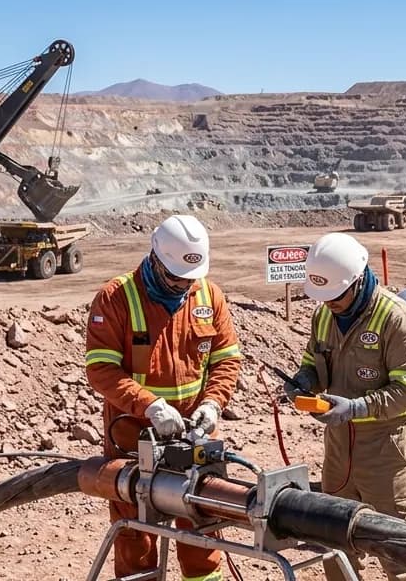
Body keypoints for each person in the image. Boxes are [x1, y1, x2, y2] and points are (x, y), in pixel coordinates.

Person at [85, 214, 242, 581]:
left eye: (190, 279)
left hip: (194, 438)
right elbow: (101, 370)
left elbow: (226, 360)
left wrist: (213, 403)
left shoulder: (208, 295)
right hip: (133, 439)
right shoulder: (117, 298)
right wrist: (150, 405)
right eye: (176, 278)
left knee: (201, 528)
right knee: (135, 536)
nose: (184, 286)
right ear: (155, 258)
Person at [283, 232, 406, 581]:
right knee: (333, 543)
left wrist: (357, 408)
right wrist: (303, 380)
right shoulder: (324, 315)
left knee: (401, 552)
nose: (330, 303)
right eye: (324, 297)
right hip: (339, 452)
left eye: (336, 295)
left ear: (358, 280)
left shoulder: (397, 319)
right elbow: (313, 360)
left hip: (386, 453)